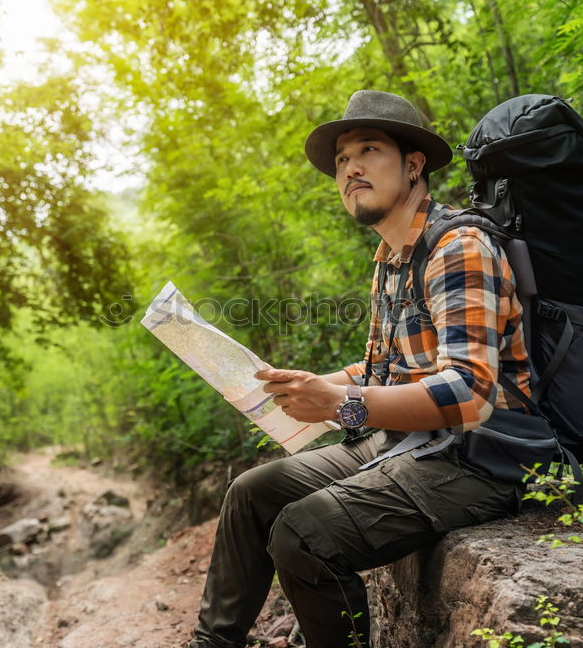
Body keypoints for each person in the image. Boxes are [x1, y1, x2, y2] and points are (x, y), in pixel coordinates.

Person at [188, 90, 532, 648]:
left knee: (304, 533)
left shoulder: (457, 248)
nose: (350, 168)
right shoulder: (390, 260)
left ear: (413, 164)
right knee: (252, 494)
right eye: (342, 160)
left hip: (481, 457)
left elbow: (470, 393)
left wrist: (340, 406)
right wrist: (315, 385)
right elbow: (383, 373)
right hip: (410, 442)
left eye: (368, 150)